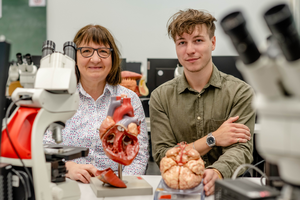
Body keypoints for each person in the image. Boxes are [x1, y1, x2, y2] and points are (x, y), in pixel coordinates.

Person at [150, 9, 255, 196]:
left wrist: (218, 172)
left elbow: (241, 148)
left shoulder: (240, 92)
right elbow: (163, 155)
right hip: (179, 190)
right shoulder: (160, 97)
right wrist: (212, 139)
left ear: (212, 43)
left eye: (198, 40)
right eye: (182, 42)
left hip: (227, 188)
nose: (190, 50)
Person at [43, 24, 149, 183]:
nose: (95, 59)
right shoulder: (58, 97)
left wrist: (120, 185)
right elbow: (41, 149)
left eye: (103, 52)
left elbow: (139, 156)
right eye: (86, 51)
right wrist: (67, 168)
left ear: (112, 58)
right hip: (69, 185)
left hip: (117, 189)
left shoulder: (128, 98)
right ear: (74, 58)